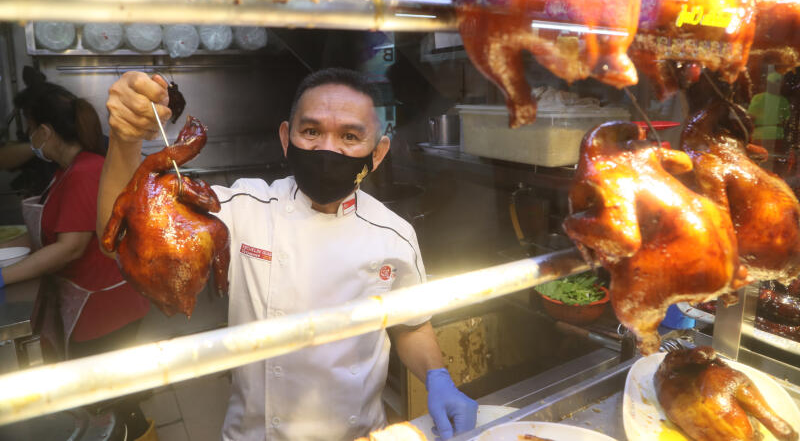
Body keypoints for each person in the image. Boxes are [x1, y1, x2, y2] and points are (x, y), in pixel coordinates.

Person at [97, 68, 479, 440]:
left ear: (377, 154)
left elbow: (411, 323)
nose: (328, 149)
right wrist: (124, 139)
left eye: (349, 136)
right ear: (287, 137)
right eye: (311, 131)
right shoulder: (246, 206)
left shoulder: (395, 234)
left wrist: (437, 378)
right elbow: (124, 232)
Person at [0, 72, 154, 440]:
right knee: (111, 394)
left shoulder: (86, 172)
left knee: (106, 400)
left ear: (45, 132)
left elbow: (69, 247)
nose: (28, 140)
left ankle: (136, 432)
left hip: (105, 309)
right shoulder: (66, 171)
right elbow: (48, 232)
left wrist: (5, 277)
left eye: (29, 130)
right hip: (94, 305)